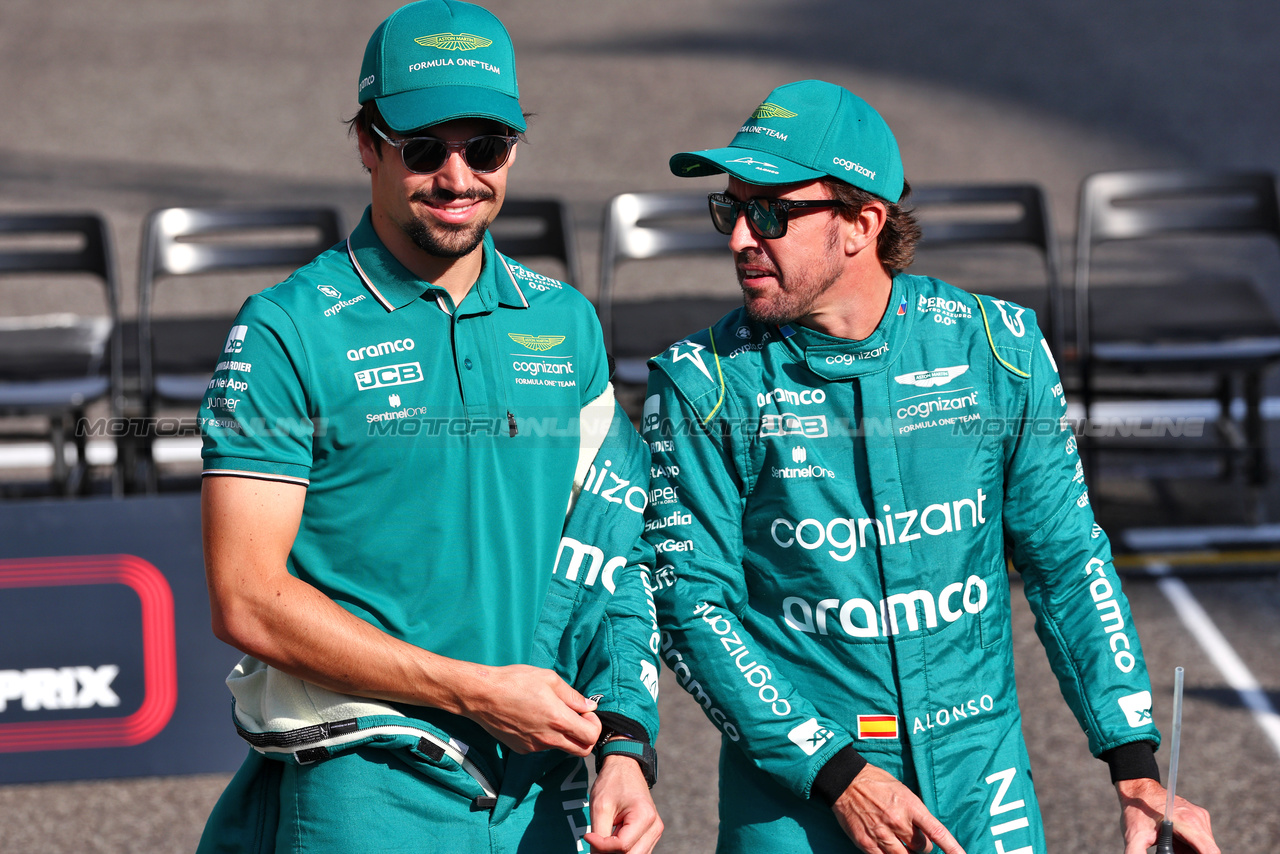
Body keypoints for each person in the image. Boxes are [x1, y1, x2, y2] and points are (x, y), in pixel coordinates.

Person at [643, 79, 1218, 854]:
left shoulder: (997, 349)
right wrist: (837, 772)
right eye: (729, 209)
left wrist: (1137, 769)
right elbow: (691, 607)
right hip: (798, 795)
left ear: (863, 223)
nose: (742, 236)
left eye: (771, 211)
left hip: (981, 783)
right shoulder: (704, 383)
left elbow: (1067, 563)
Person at [195, 2, 662, 852]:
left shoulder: (565, 322)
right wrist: (472, 692)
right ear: (368, 142)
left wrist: (627, 746)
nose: (458, 178)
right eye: (423, 148)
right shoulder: (284, 330)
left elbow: (616, 553)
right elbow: (246, 599)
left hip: (540, 789)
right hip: (367, 780)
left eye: (485, 149)